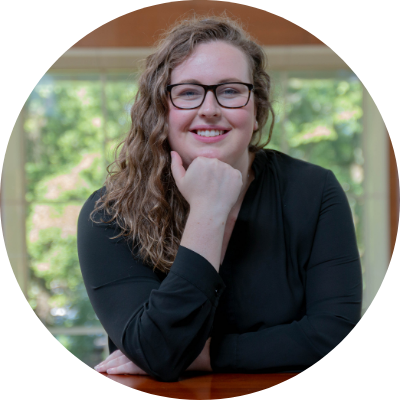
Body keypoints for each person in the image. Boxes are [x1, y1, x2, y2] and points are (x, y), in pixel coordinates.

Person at [77, 16, 362, 382]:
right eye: (188, 92)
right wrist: (208, 212)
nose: (210, 108)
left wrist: (205, 354)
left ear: (256, 110)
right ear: (161, 111)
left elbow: (336, 335)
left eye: (229, 91)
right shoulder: (109, 214)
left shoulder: (315, 190)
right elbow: (157, 351)